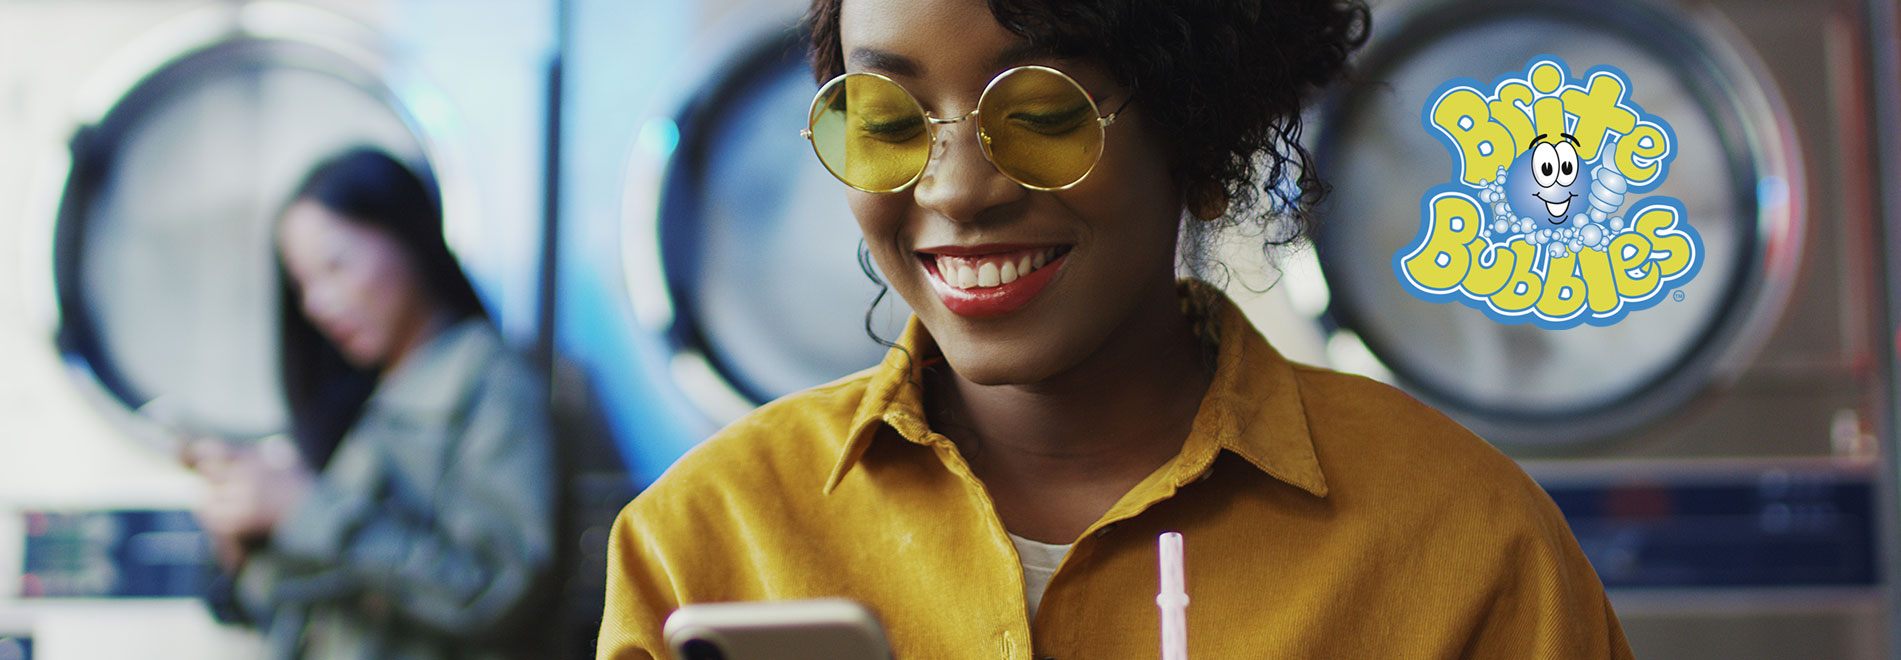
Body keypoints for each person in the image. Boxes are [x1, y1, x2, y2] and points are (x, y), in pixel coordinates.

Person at [598, 0, 1633, 658]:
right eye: (888, 119)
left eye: (1043, 114)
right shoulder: (707, 542)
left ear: (1202, 140)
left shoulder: (1461, 539)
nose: (956, 192)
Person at [188, 147, 558, 660]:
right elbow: (319, 611)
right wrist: (247, 543)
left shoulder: (488, 380)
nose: (318, 303)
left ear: (407, 236)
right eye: (302, 283)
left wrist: (302, 507)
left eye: (335, 265)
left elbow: (497, 594)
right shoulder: (363, 401)